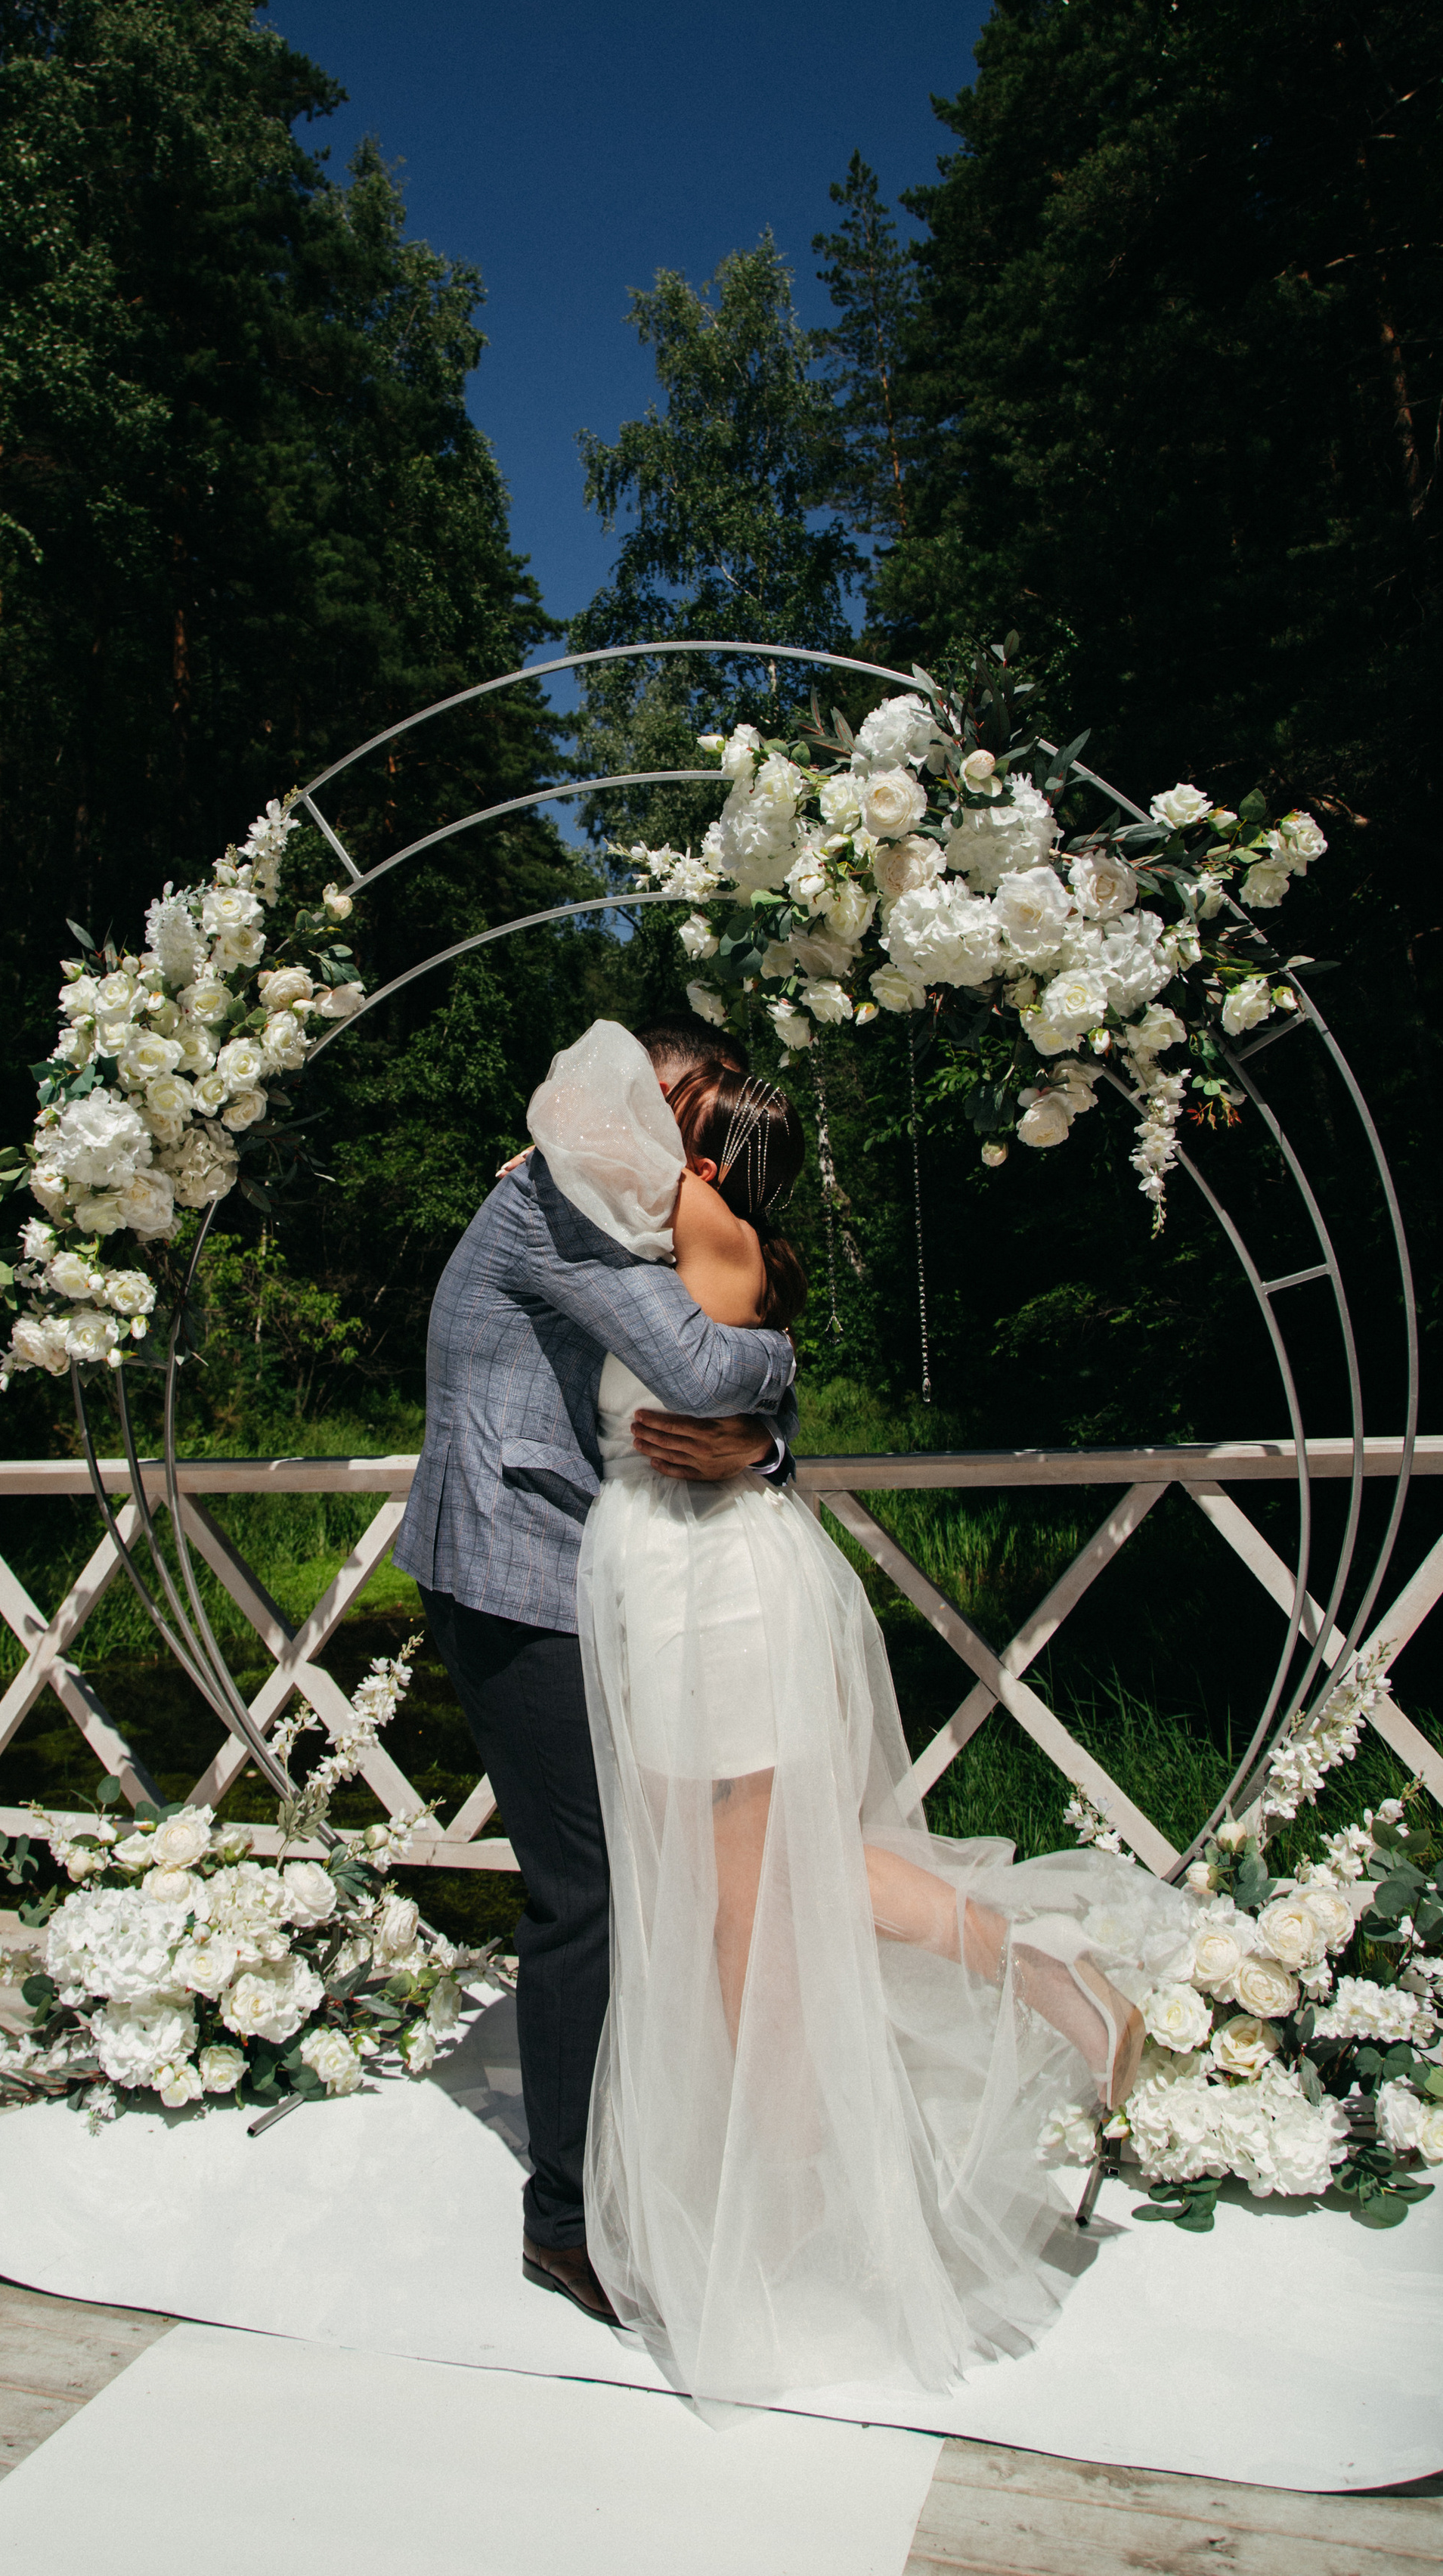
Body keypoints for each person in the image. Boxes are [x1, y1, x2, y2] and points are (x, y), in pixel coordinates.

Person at [547, 1021, 1178, 2409]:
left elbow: (580, 1144)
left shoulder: (695, 1218)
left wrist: (755, 1431)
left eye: (665, 1100)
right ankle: (1063, 1994)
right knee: (782, 1880)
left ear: (707, 1145)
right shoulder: (688, 1231)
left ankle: (781, 2216)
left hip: (714, 1581)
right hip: (675, 1569)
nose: (629, 1112)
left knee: (739, 1912)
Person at [392, 1018, 799, 2323]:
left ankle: (618, 2160)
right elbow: (691, 1363)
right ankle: (562, 2222)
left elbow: (685, 1375)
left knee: (613, 1878)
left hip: (560, 1562)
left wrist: (763, 1436)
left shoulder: (586, 1200)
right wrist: (784, 1368)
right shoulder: (554, 1202)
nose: (682, 1143)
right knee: (591, 1895)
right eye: (683, 1106)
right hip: (514, 1570)